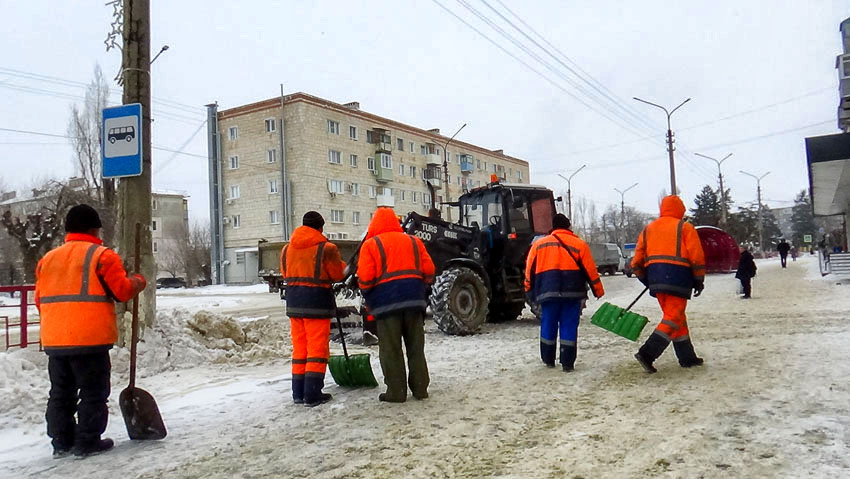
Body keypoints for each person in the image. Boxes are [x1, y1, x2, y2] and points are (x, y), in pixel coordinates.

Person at [35, 204, 147, 458]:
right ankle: (87, 441)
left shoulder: (47, 260)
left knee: (60, 393)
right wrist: (138, 281)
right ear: (94, 229)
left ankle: (62, 442)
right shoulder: (102, 256)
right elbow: (122, 291)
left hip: (55, 340)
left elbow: (40, 300)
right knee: (93, 392)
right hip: (90, 339)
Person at [357, 207, 435, 402]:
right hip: (414, 302)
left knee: (391, 349)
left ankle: (396, 392)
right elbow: (430, 271)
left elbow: (365, 278)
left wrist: (368, 293)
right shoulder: (414, 241)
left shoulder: (371, 245)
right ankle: (420, 389)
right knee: (415, 348)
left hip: (386, 305)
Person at [631, 195, 706, 373]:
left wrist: (645, 279)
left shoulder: (648, 229)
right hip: (678, 277)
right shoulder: (685, 228)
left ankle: (687, 357)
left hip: (656, 280)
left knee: (677, 317)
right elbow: (696, 256)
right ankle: (647, 353)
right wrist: (698, 279)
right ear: (680, 210)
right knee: (672, 318)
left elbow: (636, 262)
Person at [281, 211, 346, 407]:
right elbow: (337, 273)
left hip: (293, 303)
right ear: (320, 228)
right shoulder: (327, 248)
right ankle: (313, 393)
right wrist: (346, 267)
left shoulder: (286, 249)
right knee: (317, 349)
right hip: (316, 304)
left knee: (300, 349)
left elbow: (285, 273)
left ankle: (298, 393)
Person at [524, 214, 604, 371]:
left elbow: (529, 270)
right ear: (568, 227)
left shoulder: (539, 245)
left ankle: (548, 359)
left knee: (548, 323)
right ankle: (567, 362)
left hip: (548, 292)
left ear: (552, 227)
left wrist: (529, 289)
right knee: (569, 325)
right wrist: (598, 290)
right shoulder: (579, 244)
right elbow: (590, 270)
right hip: (572, 292)